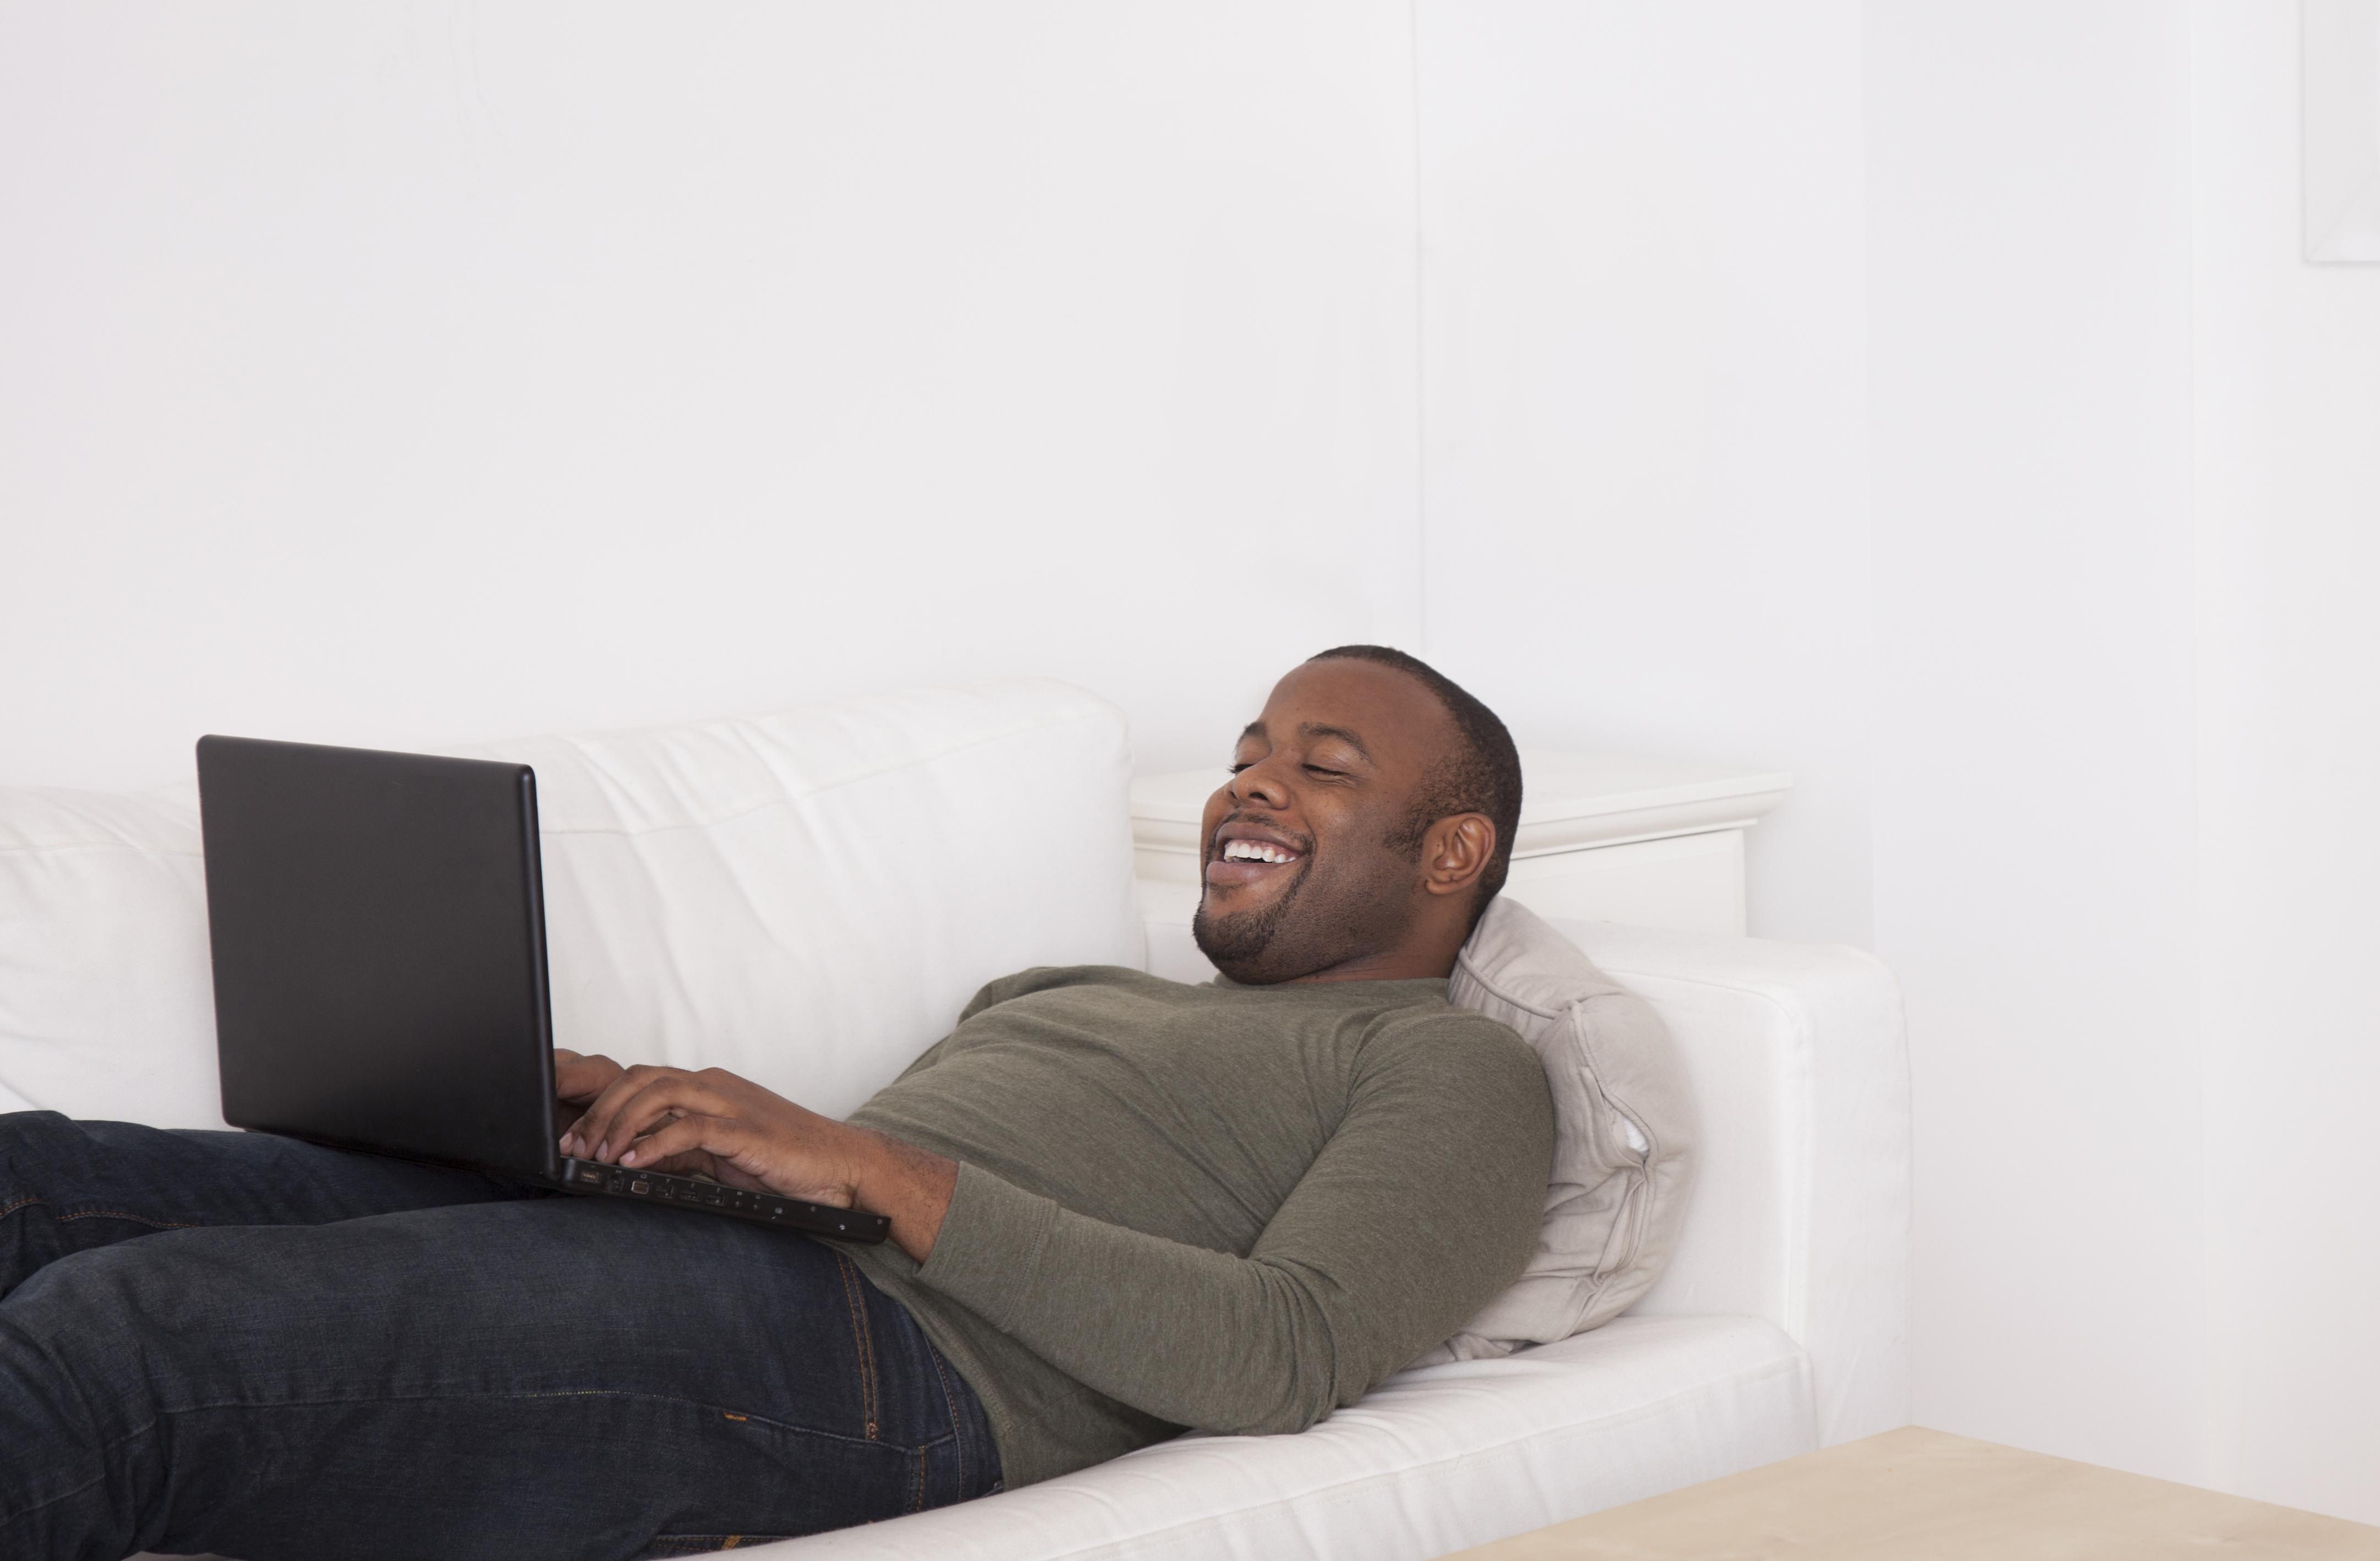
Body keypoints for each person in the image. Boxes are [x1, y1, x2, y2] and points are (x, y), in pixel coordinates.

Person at [0, 646, 1555, 1561]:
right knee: (38, 1191)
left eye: (1321, 767)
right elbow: (849, 1184)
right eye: (1244, 756)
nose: (1247, 787)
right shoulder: (1069, 991)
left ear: (1447, 856)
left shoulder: (1451, 1068)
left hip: (898, 1366)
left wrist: (868, 1170)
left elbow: (1278, 1354)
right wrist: (620, 1114)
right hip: (742, 1251)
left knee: (125, 1340)